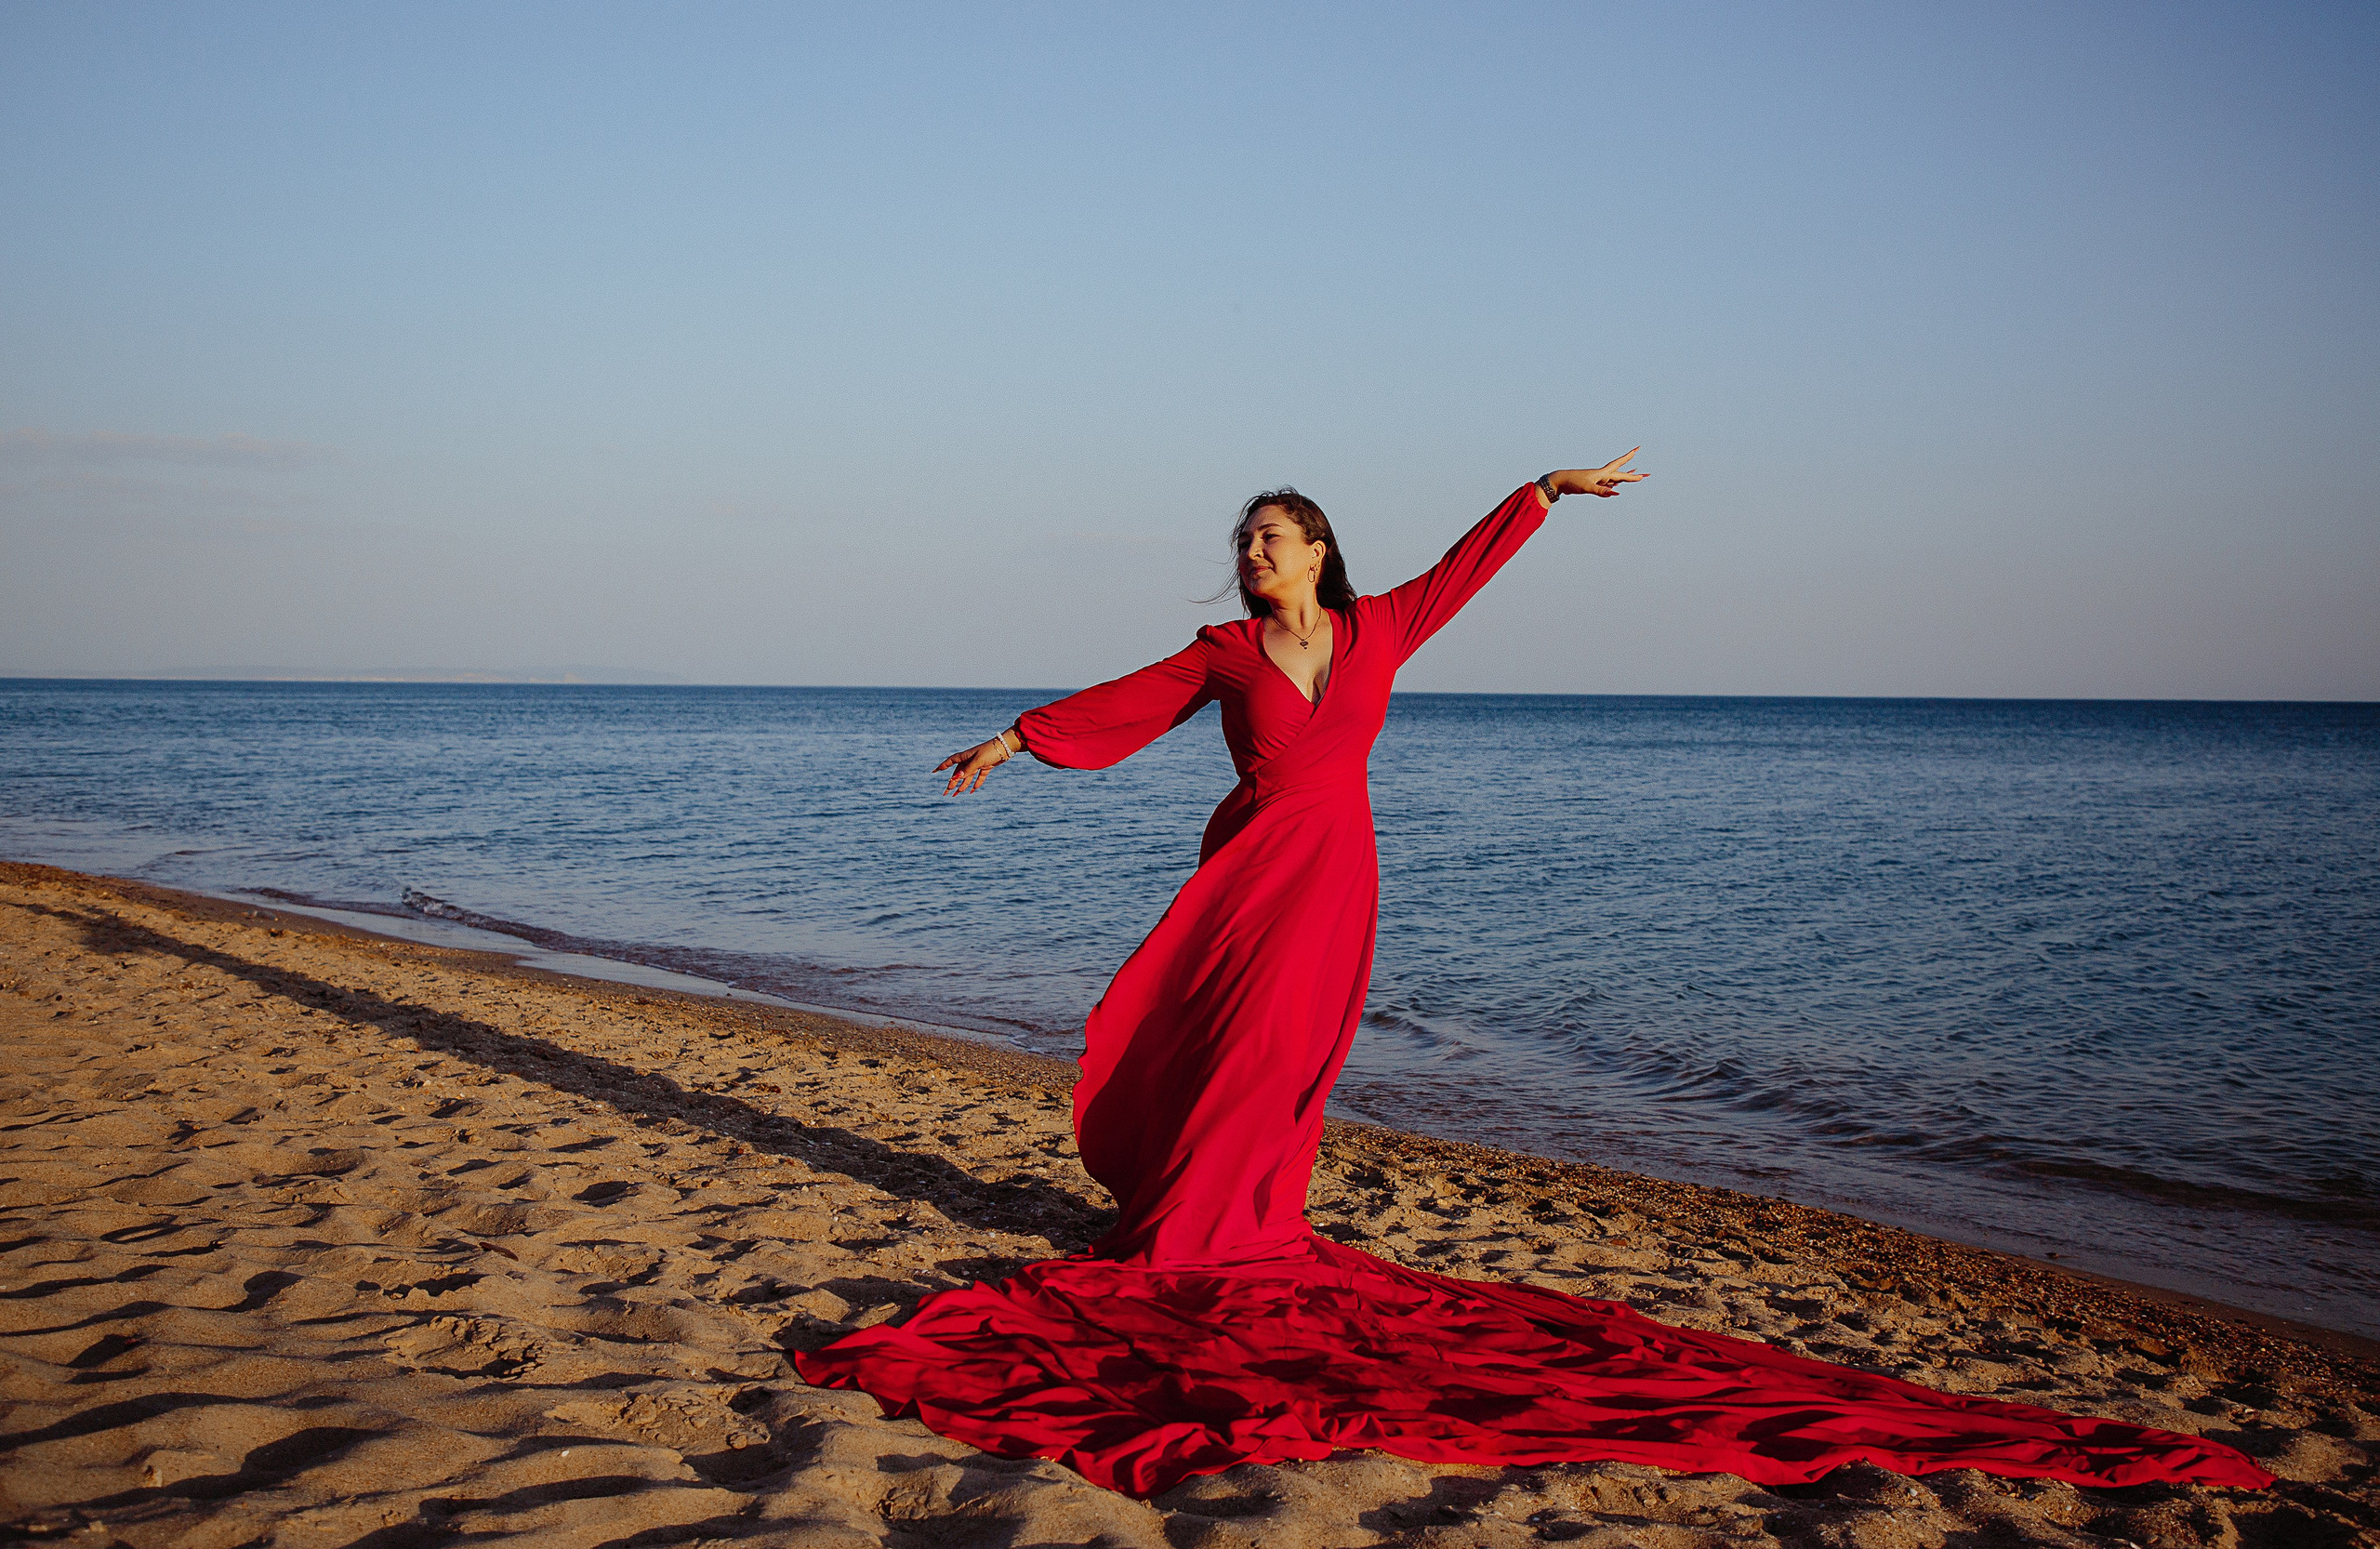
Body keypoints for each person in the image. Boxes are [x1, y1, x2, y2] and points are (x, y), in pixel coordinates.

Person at [795, 457, 2269, 1500]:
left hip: (1338, 873)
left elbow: (1464, 570)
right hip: (1254, 863)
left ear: (1321, 552)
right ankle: (1193, 1213)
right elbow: (1132, 700)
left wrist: (1544, 495)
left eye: (1277, 539)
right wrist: (1016, 738)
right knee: (1219, 1034)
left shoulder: (1381, 630)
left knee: (1290, 1053)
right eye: (1245, 541)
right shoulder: (1224, 652)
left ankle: (1246, 1211)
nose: (1257, 557)